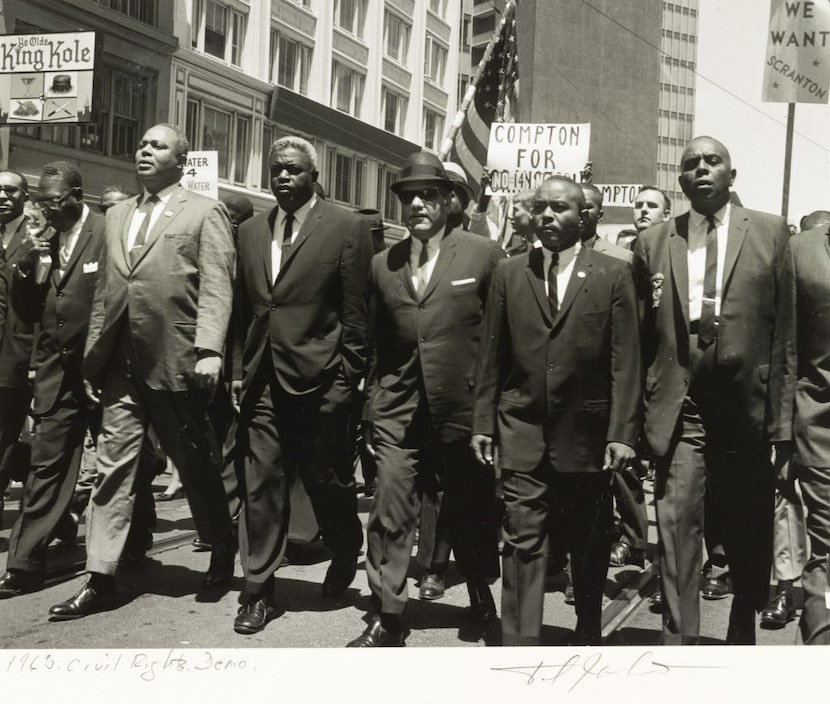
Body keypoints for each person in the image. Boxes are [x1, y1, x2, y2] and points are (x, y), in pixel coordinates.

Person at [47, 124, 236, 619]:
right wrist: (94, 356)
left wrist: (210, 348)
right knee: (113, 469)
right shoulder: (118, 215)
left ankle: (221, 544)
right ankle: (100, 577)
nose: (145, 151)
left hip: (177, 363)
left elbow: (217, 285)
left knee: (194, 464)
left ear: (181, 159)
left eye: (159, 146)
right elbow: (109, 292)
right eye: (143, 144)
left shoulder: (203, 211)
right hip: (121, 367)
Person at [472, 175, 642, 646]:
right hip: (522, 428)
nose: (548, 216)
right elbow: (492, 355)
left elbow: (625, 361)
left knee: (587, 542)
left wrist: (622, 433)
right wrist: (484, 421)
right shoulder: (509, 273)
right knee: (522, 539)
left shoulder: (612, 275)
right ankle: (518, 643)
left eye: (560, 208)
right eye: (541, 207)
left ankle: (588, 627)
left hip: (587, 438)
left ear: (581, 216)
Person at [634, 136, 789, 644]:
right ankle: (679, 647)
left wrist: (782, 421)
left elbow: (786, 333)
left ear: (731, 174)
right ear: (680, 180)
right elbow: (639, 336)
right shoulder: (655, 241)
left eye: (712, 161)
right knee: (676, 525)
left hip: (747, 409)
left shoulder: (769, 233)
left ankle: (742, 627)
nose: (701, 169)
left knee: (747, 530)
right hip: (683, 408)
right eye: (691, 164)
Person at [346, 152, 503, 647]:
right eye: (407, 196)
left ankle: (480, 594)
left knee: (471, 511)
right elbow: (374, 343)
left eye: (428, 195)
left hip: (463, 410)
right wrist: (373, 405)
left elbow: (499, 340)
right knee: (389, 508)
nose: (416, 204)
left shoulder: (483, 254)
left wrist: (489, 414)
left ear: (449, 201)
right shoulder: (381, 264)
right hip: (398, 410)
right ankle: (388, 612)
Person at [232, 135, 372, 635]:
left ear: (315, 177)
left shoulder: (346, 228)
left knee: (324, 480)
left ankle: (345, 544)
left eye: (293, 170)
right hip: (263, 381)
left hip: (321, 381)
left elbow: (357, 317)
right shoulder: (250, 231)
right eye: (276, 170)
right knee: (261, 484)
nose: (283, 177)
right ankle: (258, 590)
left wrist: (345, 382)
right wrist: (236, 371)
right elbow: (244, 310)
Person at [0, 161, 106, 598]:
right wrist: (29, 260)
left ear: (77, 195)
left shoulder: (105, 230)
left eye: (54, 201)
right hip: (56, 373)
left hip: (103, 372)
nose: (47, 210)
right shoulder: (40, 240)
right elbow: (27, 306)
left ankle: (135, 540)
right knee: (46, 463)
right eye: (41, 202)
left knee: (123, 468)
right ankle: (23, 566)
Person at [579, 183, 649, 571]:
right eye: (579, 206)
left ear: (598, 214)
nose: (583, 213)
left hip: (610, 378)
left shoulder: (622, 259)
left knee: (620, 473)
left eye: (590, 207)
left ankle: (635, 539)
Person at [769, 222, 830, 644]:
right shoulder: (802, 252)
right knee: (826, 544)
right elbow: (786, 347)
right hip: (819, 426)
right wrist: (782, 433)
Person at [0, 171, 32, 527]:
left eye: (10, 190)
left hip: (17, 357)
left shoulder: (38, 236)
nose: (2, 196)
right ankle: (30, 469)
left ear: (25, 195)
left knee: (4, 433)